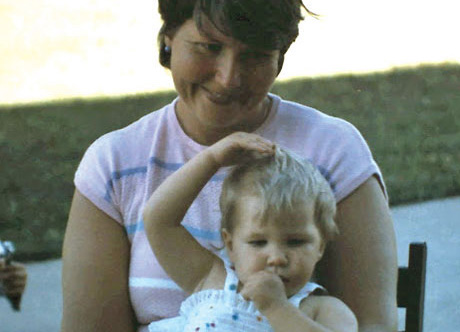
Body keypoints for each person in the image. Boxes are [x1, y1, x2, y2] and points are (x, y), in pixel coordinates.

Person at [61, 1, 398, 331]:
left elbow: (373, 324)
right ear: (169, 37)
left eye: (255, 55)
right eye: (208, 47)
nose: (228, 78)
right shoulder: (114, 163)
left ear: (279, 57)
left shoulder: (334, 150)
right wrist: (208, 161)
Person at [144, 132, 358, 332]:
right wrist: (211, 159)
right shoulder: (211, 280)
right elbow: (158, 220)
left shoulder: (322, 309)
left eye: (295, 242)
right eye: (258, 242)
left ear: (320, 246)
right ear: (230, 245)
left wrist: (276, 308)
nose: (276, 258)